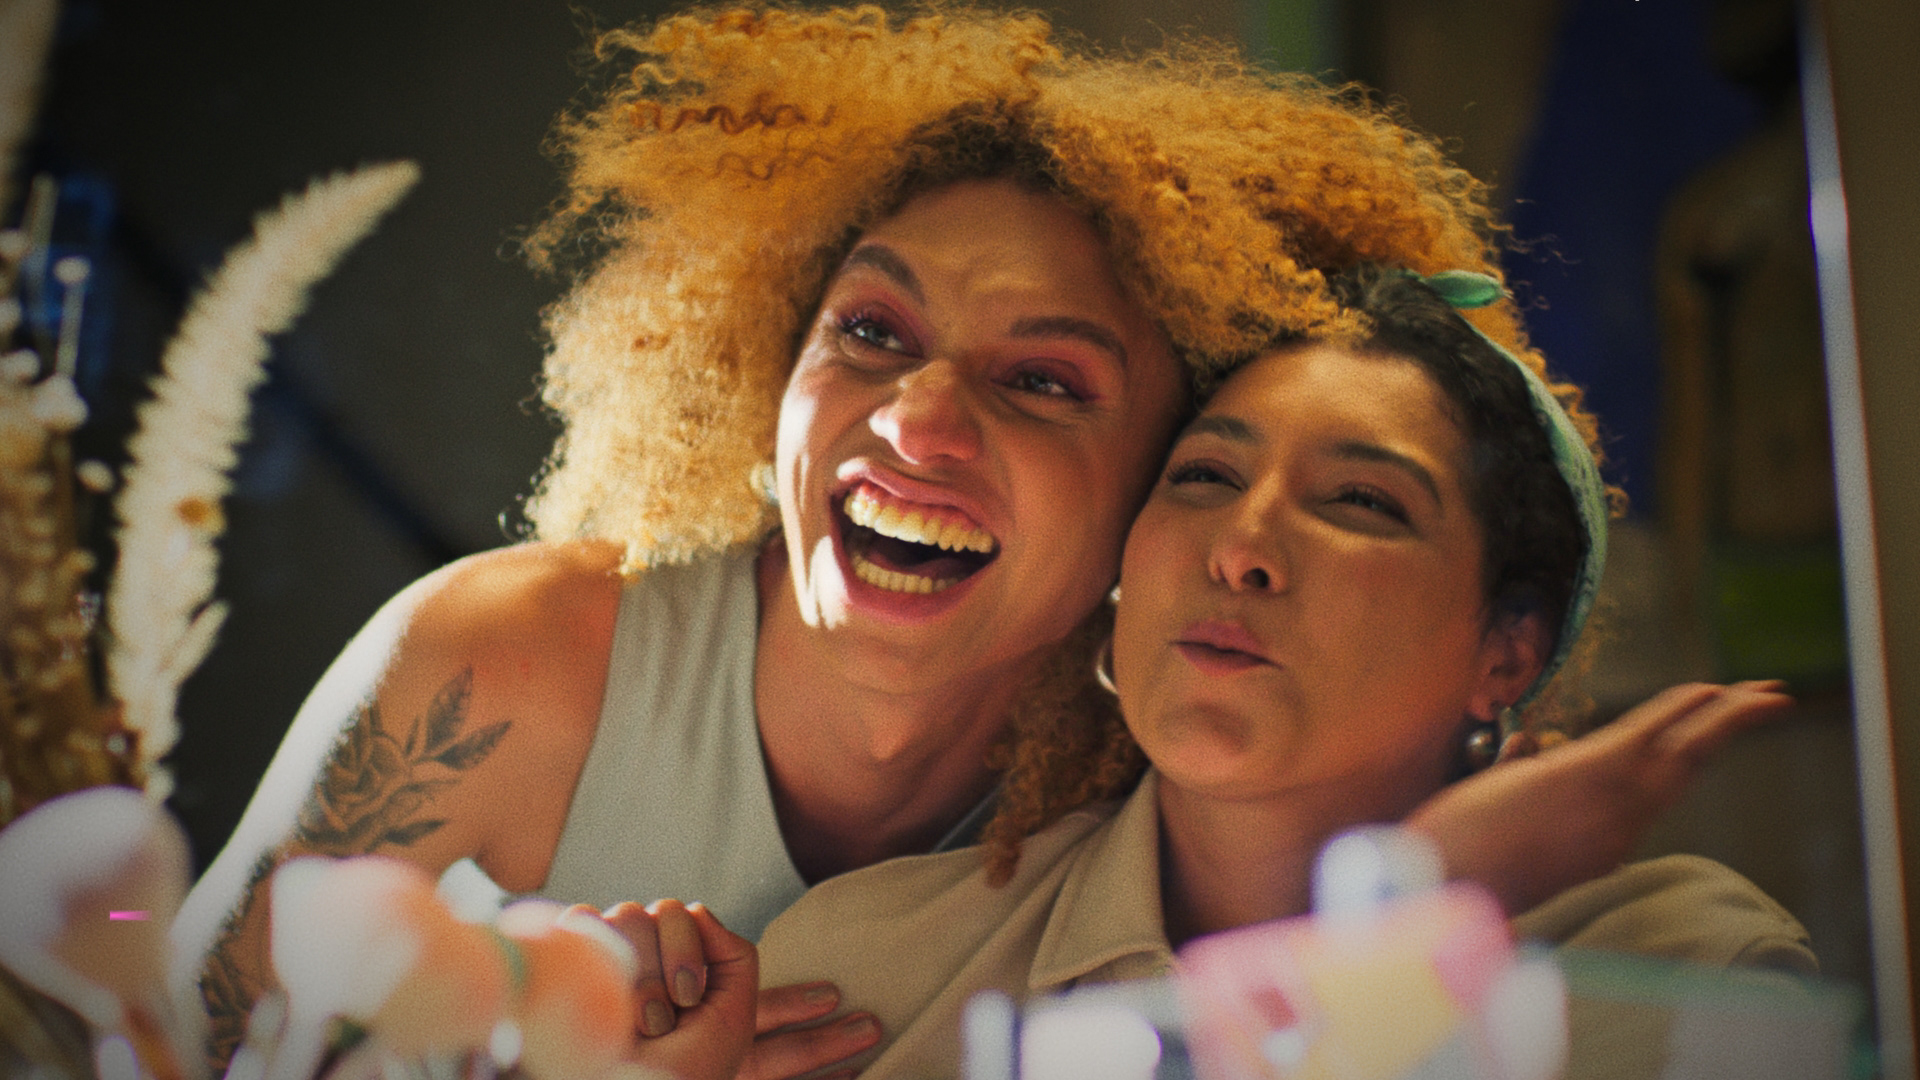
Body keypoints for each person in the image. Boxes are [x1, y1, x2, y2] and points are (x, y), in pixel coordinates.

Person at [174, 8, 1775, 1078]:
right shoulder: (515, 666)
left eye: (1043, 382)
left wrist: (1406, 904)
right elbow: (139, 1039)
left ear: (1137, 499)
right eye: (870, 333)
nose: (917, 423)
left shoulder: (1157, 774)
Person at [752, 265, 1814, 1079]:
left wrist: (1407, 930)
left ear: (1508, 650)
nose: (1240, 548)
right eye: (1204, 476)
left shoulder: (1681, 969)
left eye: (1361, 502)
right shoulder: (871, 965)